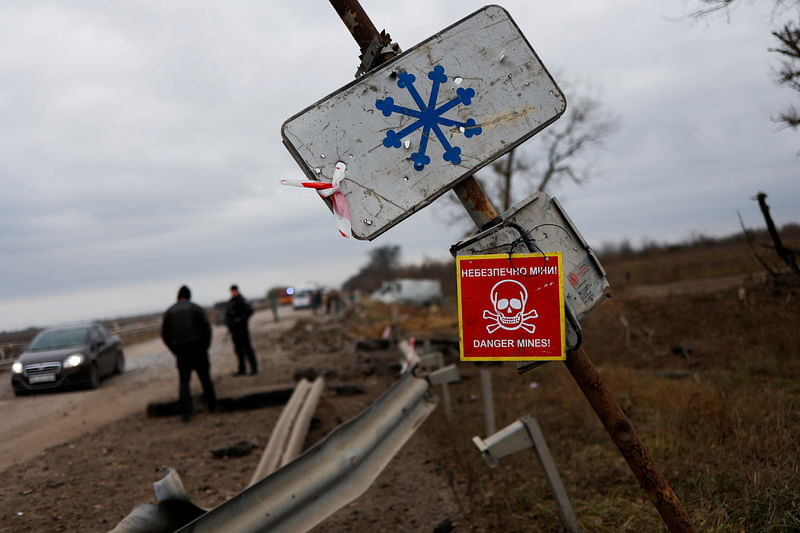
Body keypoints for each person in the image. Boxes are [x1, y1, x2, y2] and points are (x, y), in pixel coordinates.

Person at [161, 285, 217, 422]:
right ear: (189, 296)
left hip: (182, 353)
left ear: (178, 296)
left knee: (184, 382)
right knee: (205, 379)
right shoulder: (196, 309)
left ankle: (186, 413)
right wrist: (205, 347)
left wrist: (175, 350)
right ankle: (213, 406)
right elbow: (207, 329)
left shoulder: (170, 312)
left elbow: (165, 334)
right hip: (199, 350)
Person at [225, 284, 258, 375]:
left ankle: (254, 369)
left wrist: (240, 319)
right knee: (238, 351)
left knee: (247, 349)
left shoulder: (242, 300)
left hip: (242, 330)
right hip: (235, 331)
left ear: (237, 291)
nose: (233, 293)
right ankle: (242, 369)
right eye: (232, 291)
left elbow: (249, 311)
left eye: (234, 291)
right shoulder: (231, 302)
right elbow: (227, 315)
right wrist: (229, 324)